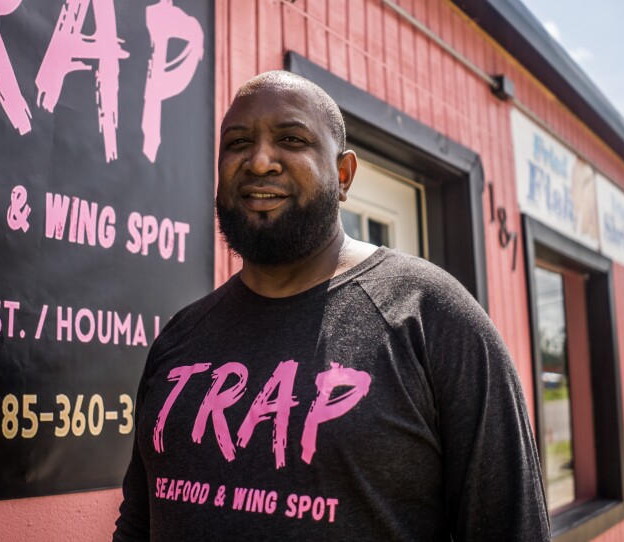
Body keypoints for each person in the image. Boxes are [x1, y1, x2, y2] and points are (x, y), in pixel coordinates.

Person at [113, 71, 551, 541]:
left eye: (291, 139)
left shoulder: (431, 317)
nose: (259, 162)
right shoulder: (179, 339)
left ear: (343, 175)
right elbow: (138, 524)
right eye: (237, 143)